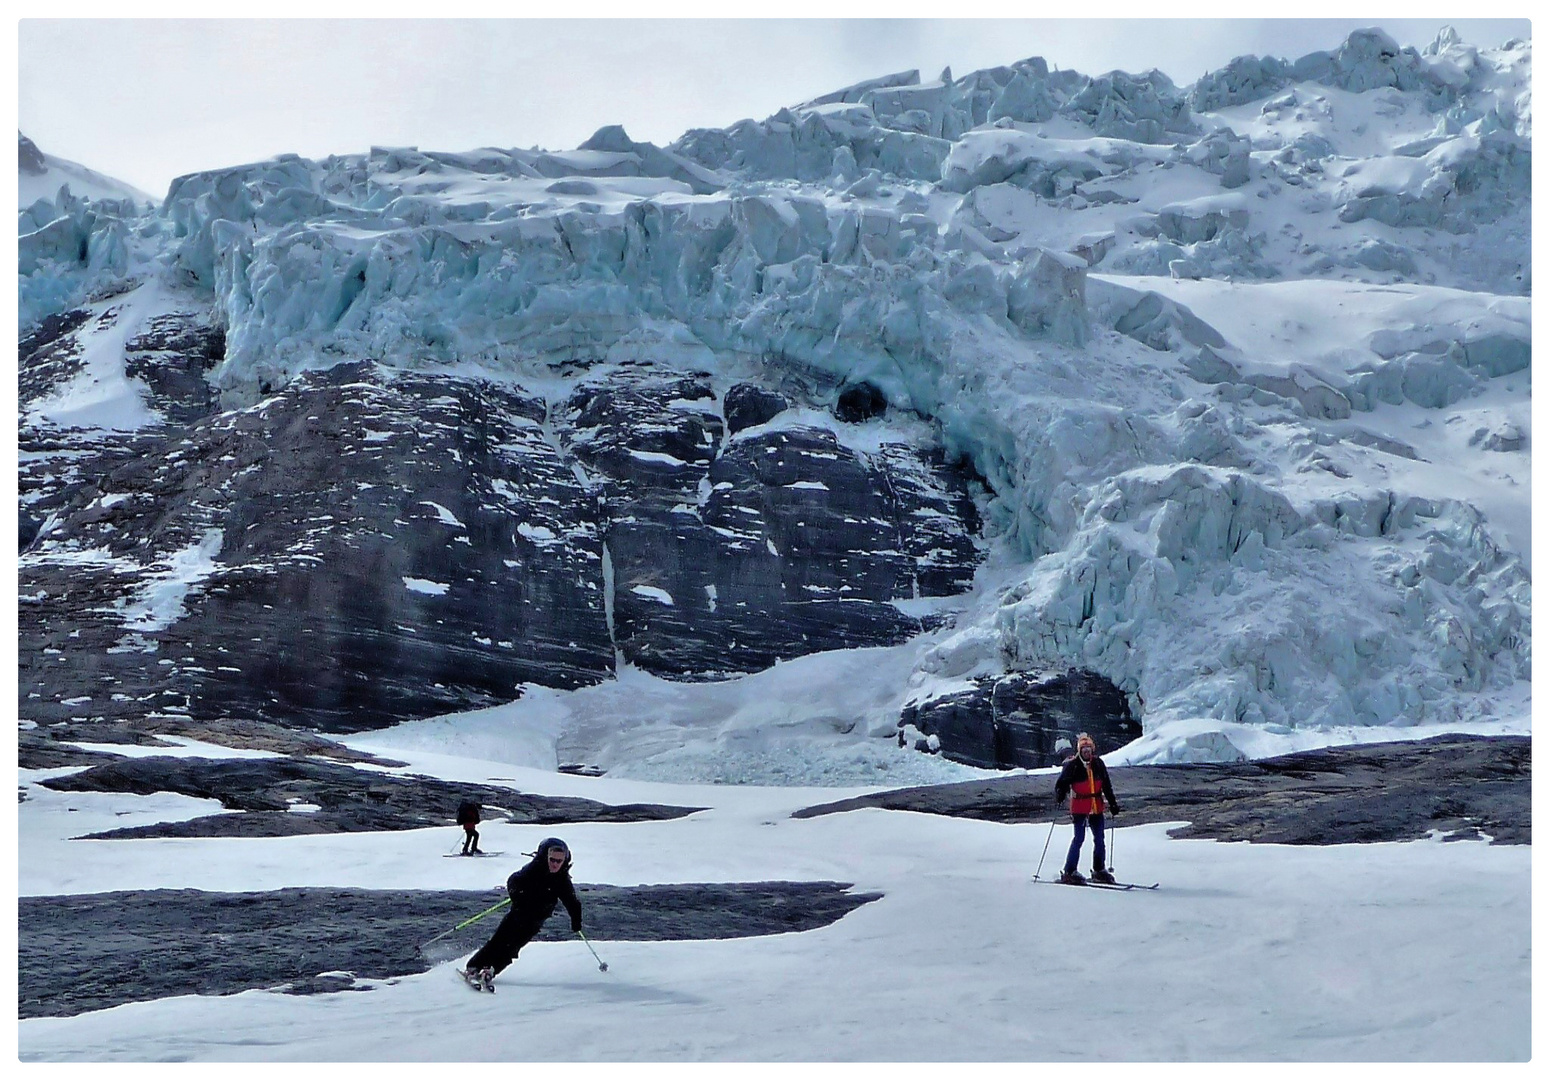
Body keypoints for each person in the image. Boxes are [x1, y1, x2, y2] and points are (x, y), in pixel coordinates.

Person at [463, 837, 583, 990]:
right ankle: (473, 967)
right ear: (545, 857)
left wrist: (576, 920)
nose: (555, 864)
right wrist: (518, 895)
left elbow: (572, 901)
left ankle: (491, 970)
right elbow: (513, 881)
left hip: (535, 921)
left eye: (559, 861)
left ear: (564, 861)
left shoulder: (562, 880)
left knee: (512, 949)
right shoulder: (533, 869)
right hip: (518, 914)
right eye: (552, 859)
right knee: (499, 941)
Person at [1053, 733, 1121, 885]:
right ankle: (1069, 871)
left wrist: (1113, 803)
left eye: (1088, 748)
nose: (1086, 751)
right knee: (1079, 838)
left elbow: (1106, 785)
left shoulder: (1098, 764)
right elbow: (1061, 784)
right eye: (1084, 749)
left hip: (1096, 806)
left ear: (1092, 749)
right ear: (1079, 750)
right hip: (1079, 807)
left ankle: (1099, 870)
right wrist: (1060, 795)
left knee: (1099, 839)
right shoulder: (1072, 765)